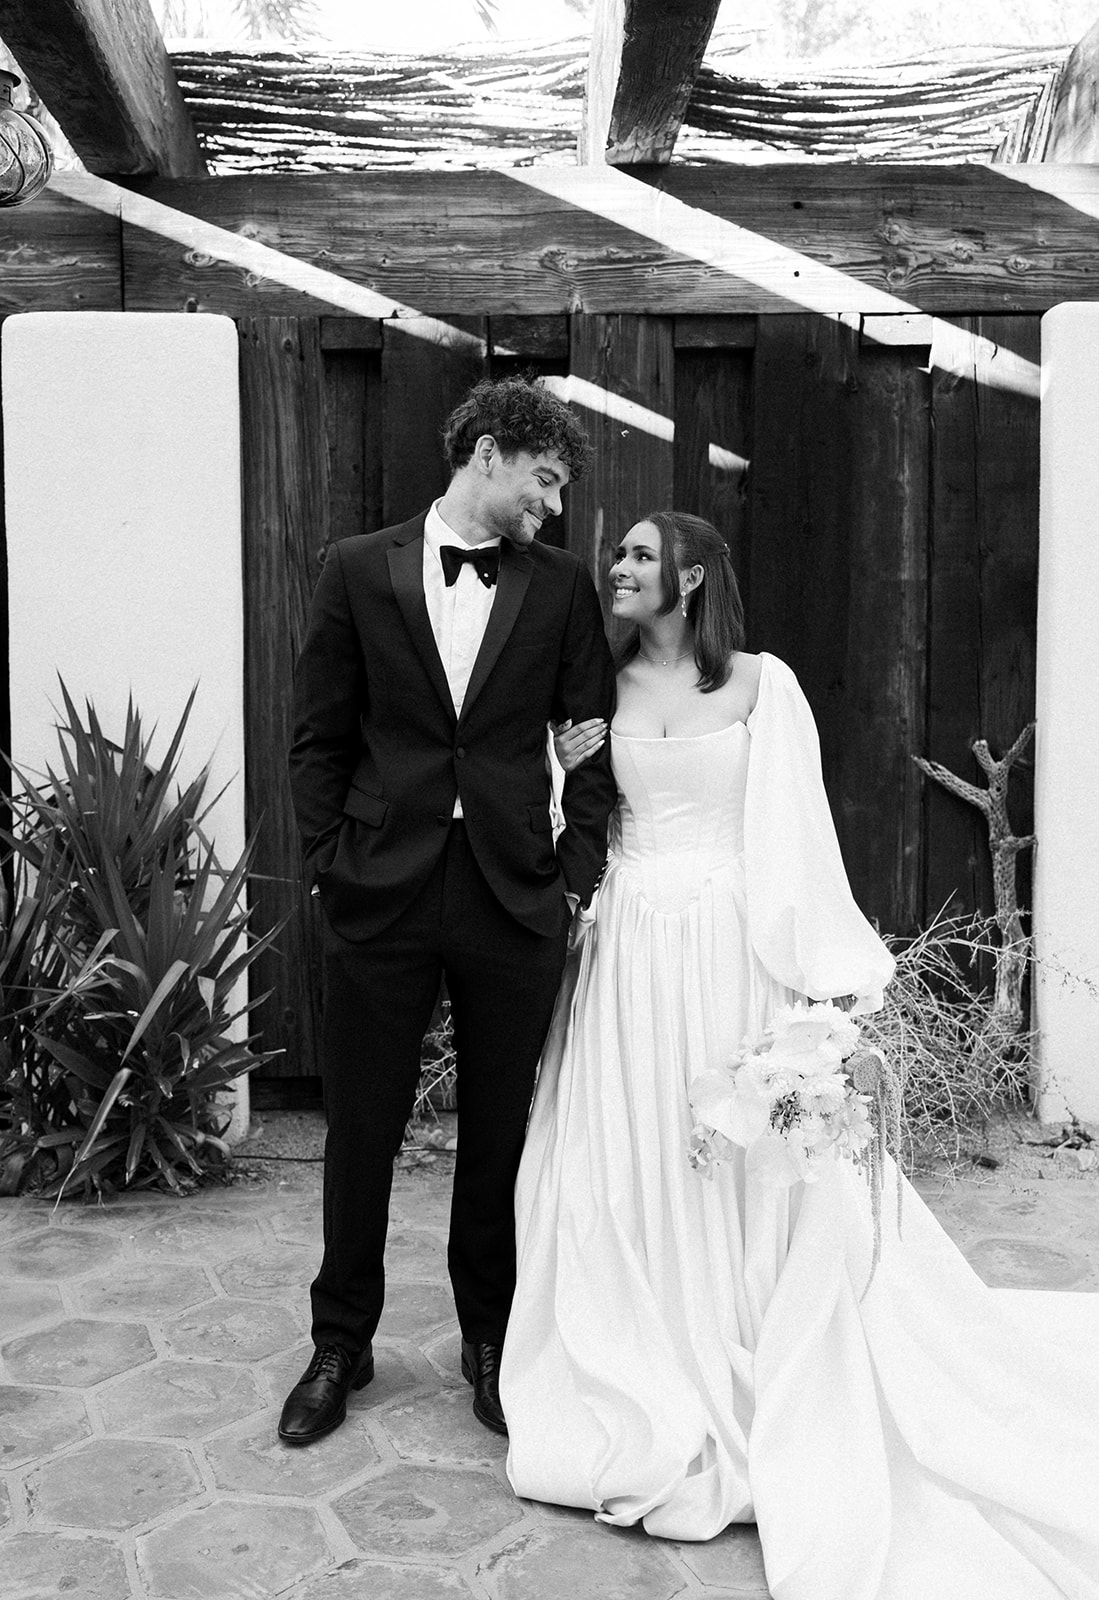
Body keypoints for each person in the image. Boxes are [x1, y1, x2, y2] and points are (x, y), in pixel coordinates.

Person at [500, 510, 1099, 1596]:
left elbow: (794, 830)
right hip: (629, 945)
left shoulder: (764, 684)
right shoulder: (590, 679)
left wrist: (821, 993)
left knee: (741, 1157)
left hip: (731, 946)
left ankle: (752, 1334)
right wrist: (557, 777)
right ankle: (652, 1349)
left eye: (638, 555)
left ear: (688, 575)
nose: (617, 568)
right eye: (618, 555)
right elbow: (565, 814)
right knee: (629, 1150)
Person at [280, 376, 617, 1446]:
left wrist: (575, 867)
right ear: (487, 453)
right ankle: (342, 1341)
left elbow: (590, 734)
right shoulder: (351, 568)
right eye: (546, 479)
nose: (554, 508)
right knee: (364, 1128)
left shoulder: (559, 589)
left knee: (495, 1132)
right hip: (379, 888)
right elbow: (318, 737)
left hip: (512, 893)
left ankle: (489, 1340)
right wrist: (331, 862)